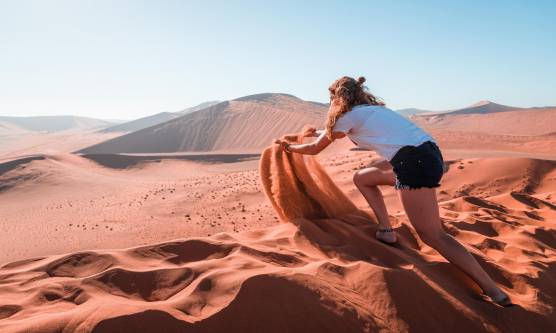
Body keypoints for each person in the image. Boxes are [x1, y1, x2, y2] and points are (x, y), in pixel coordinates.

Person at [276, 75, 511, 306]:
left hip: (413, 163)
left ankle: (492, 289)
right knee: (363, 178)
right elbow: (332, 133)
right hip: (429, 154)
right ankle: (386, 230)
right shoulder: (374, 111)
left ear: (335, 98)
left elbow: (315, 148)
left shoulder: (347, 116)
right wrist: (313, 133)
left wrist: (288, 147)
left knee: (432, 235)